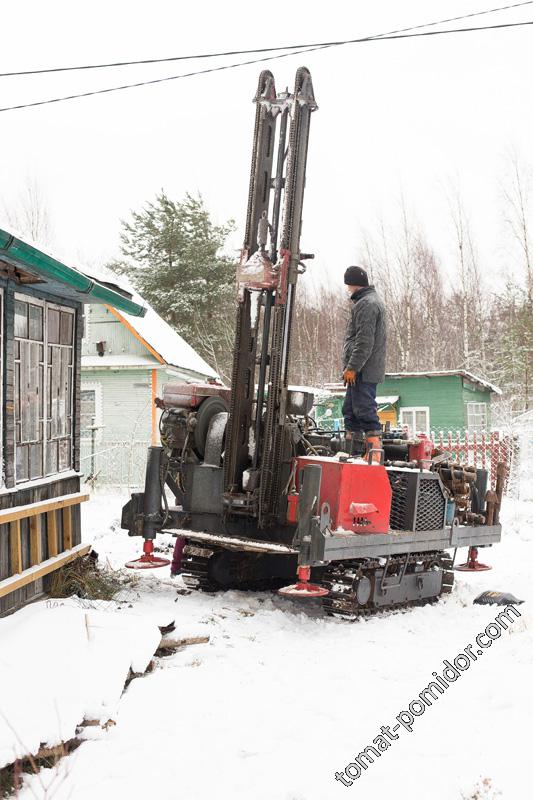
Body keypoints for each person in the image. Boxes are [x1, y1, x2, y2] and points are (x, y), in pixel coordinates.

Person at [341, 265, 387, 458]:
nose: (348, 290)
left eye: (348, 286)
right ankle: (354, 453)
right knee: (350, 411)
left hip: (363, 370)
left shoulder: (366, 304)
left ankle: (374, 456)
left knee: (365, 410)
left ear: (353, 284)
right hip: (362, 369)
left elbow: (364, 341)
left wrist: (352, 367)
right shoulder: (369, 301)